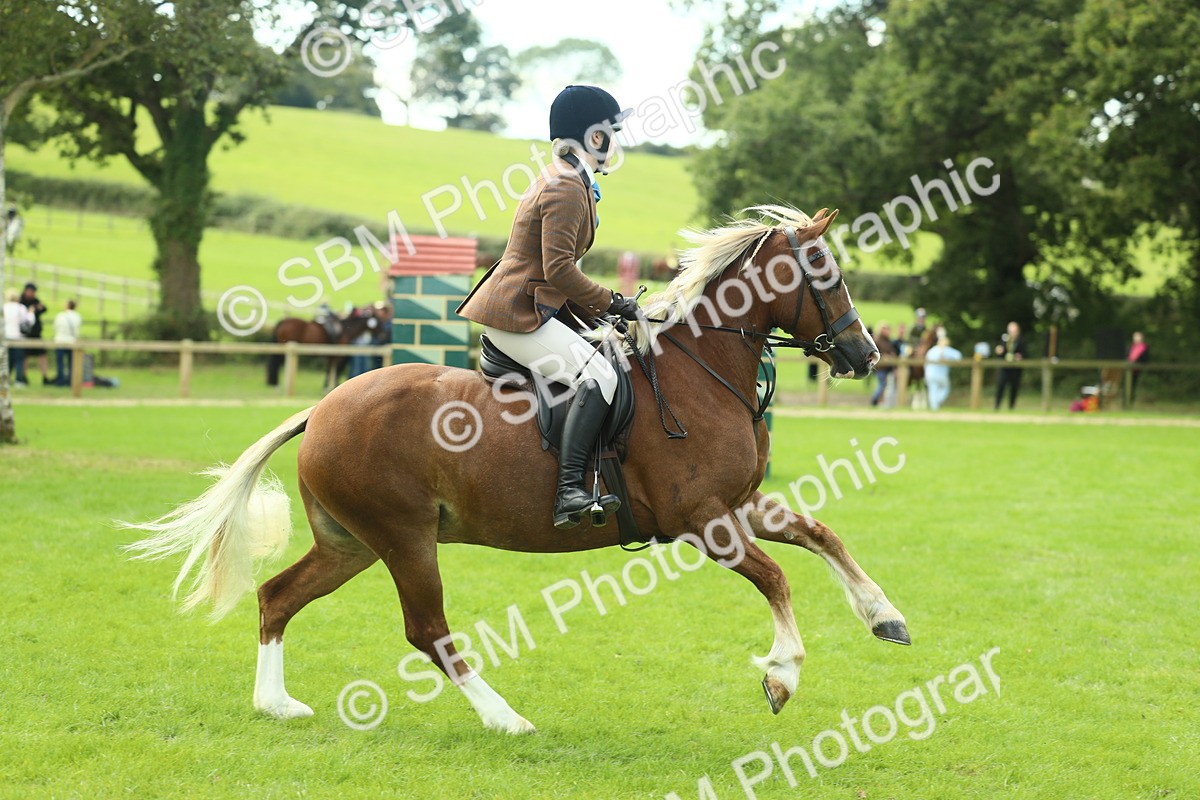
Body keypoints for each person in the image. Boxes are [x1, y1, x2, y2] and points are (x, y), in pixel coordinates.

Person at [457, 84, 636, 530]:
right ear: (594, 138)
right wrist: (611, 301)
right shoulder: (566, 188)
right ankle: (569, 490)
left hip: (533, 309)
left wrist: (603, 315)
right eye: (613, 132)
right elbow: (558, 270)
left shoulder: (569, 180)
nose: (618, 142)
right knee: (600, 376)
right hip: (517, 315)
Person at [993, 320, 1028, 410]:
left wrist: (1020, 356)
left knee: (1014, 388)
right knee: (1001, 386)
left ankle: (1011, 407)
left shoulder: (1021, 341)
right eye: (1010, 331)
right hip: (1004, 367)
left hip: (1016, 368)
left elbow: (1026, 353)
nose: (1012, 333)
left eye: (1014, 331)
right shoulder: (1004, 339)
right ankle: (996, 406)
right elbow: (1000, 352)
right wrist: (998, 351)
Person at [19, 282, 49, 385]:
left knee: (42, 355)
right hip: (25, 334)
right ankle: (24, 377)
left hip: (36, 334)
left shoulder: (35, 301)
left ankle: (45, 377)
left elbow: (44, 308)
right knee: (24, 357)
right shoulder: (21, 302)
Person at [924, 334, 962, 411]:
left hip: (930, 374)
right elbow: (958, 356)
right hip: (938, 375)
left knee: (933, 390)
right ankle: (936, 403)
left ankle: (934, 406)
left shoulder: (933, 350)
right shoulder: (947, 350)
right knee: (945, 388)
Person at [3, 288, 32, 387]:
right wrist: (31, 313)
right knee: (19, 360)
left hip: (6, 337)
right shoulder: (21, 308)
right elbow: (29, 321)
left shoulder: (4, 307)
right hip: (18, 337)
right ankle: (19, 380)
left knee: (7, 360)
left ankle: (5, 379)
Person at [52, 299, 83, 386]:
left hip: (60, 341)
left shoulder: (60, 316)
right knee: (71, 363)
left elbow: (55, 327)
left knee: (60, 363)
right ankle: (71, 381)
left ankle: (60, 381)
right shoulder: (77, 316)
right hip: (72, 341)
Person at [870, 322, 897, 407]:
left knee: (884, 385)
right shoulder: (877, 340)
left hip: (887, 367)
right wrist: (884, 357)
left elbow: (891, 351)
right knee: (882, 385)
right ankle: (874, 401)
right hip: (880, 367)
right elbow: (874, 353)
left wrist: (892, 355)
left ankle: (879, 402)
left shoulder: (888, 340)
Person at [1126, 331, 1149, 404]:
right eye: (1135, 336)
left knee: (1133, 385)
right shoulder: (1131, 346)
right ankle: (1127, 400)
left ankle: (1130, 401)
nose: (1136, 338)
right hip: (1128, 369)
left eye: (1137, 336)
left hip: (1137, 369)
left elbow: (1145, 359)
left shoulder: (1144, 347)